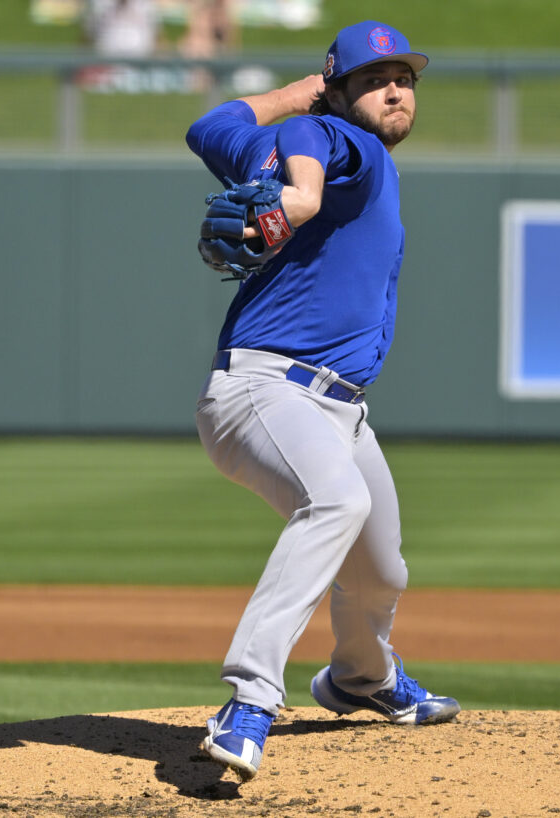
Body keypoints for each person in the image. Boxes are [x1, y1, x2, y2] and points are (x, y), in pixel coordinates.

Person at [185, 20, 461, 782]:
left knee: (381, 573)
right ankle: (249, 700)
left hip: (335, 407)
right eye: (375, 78)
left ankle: (359, 677)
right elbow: (315, 145)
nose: (396, 87)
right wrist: (301, 186)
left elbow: (211, 126)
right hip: (263, 386)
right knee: (336, 503)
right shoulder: (344, 142)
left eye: (404, 75)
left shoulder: (277, 141)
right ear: (338, 92)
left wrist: (290, 98)